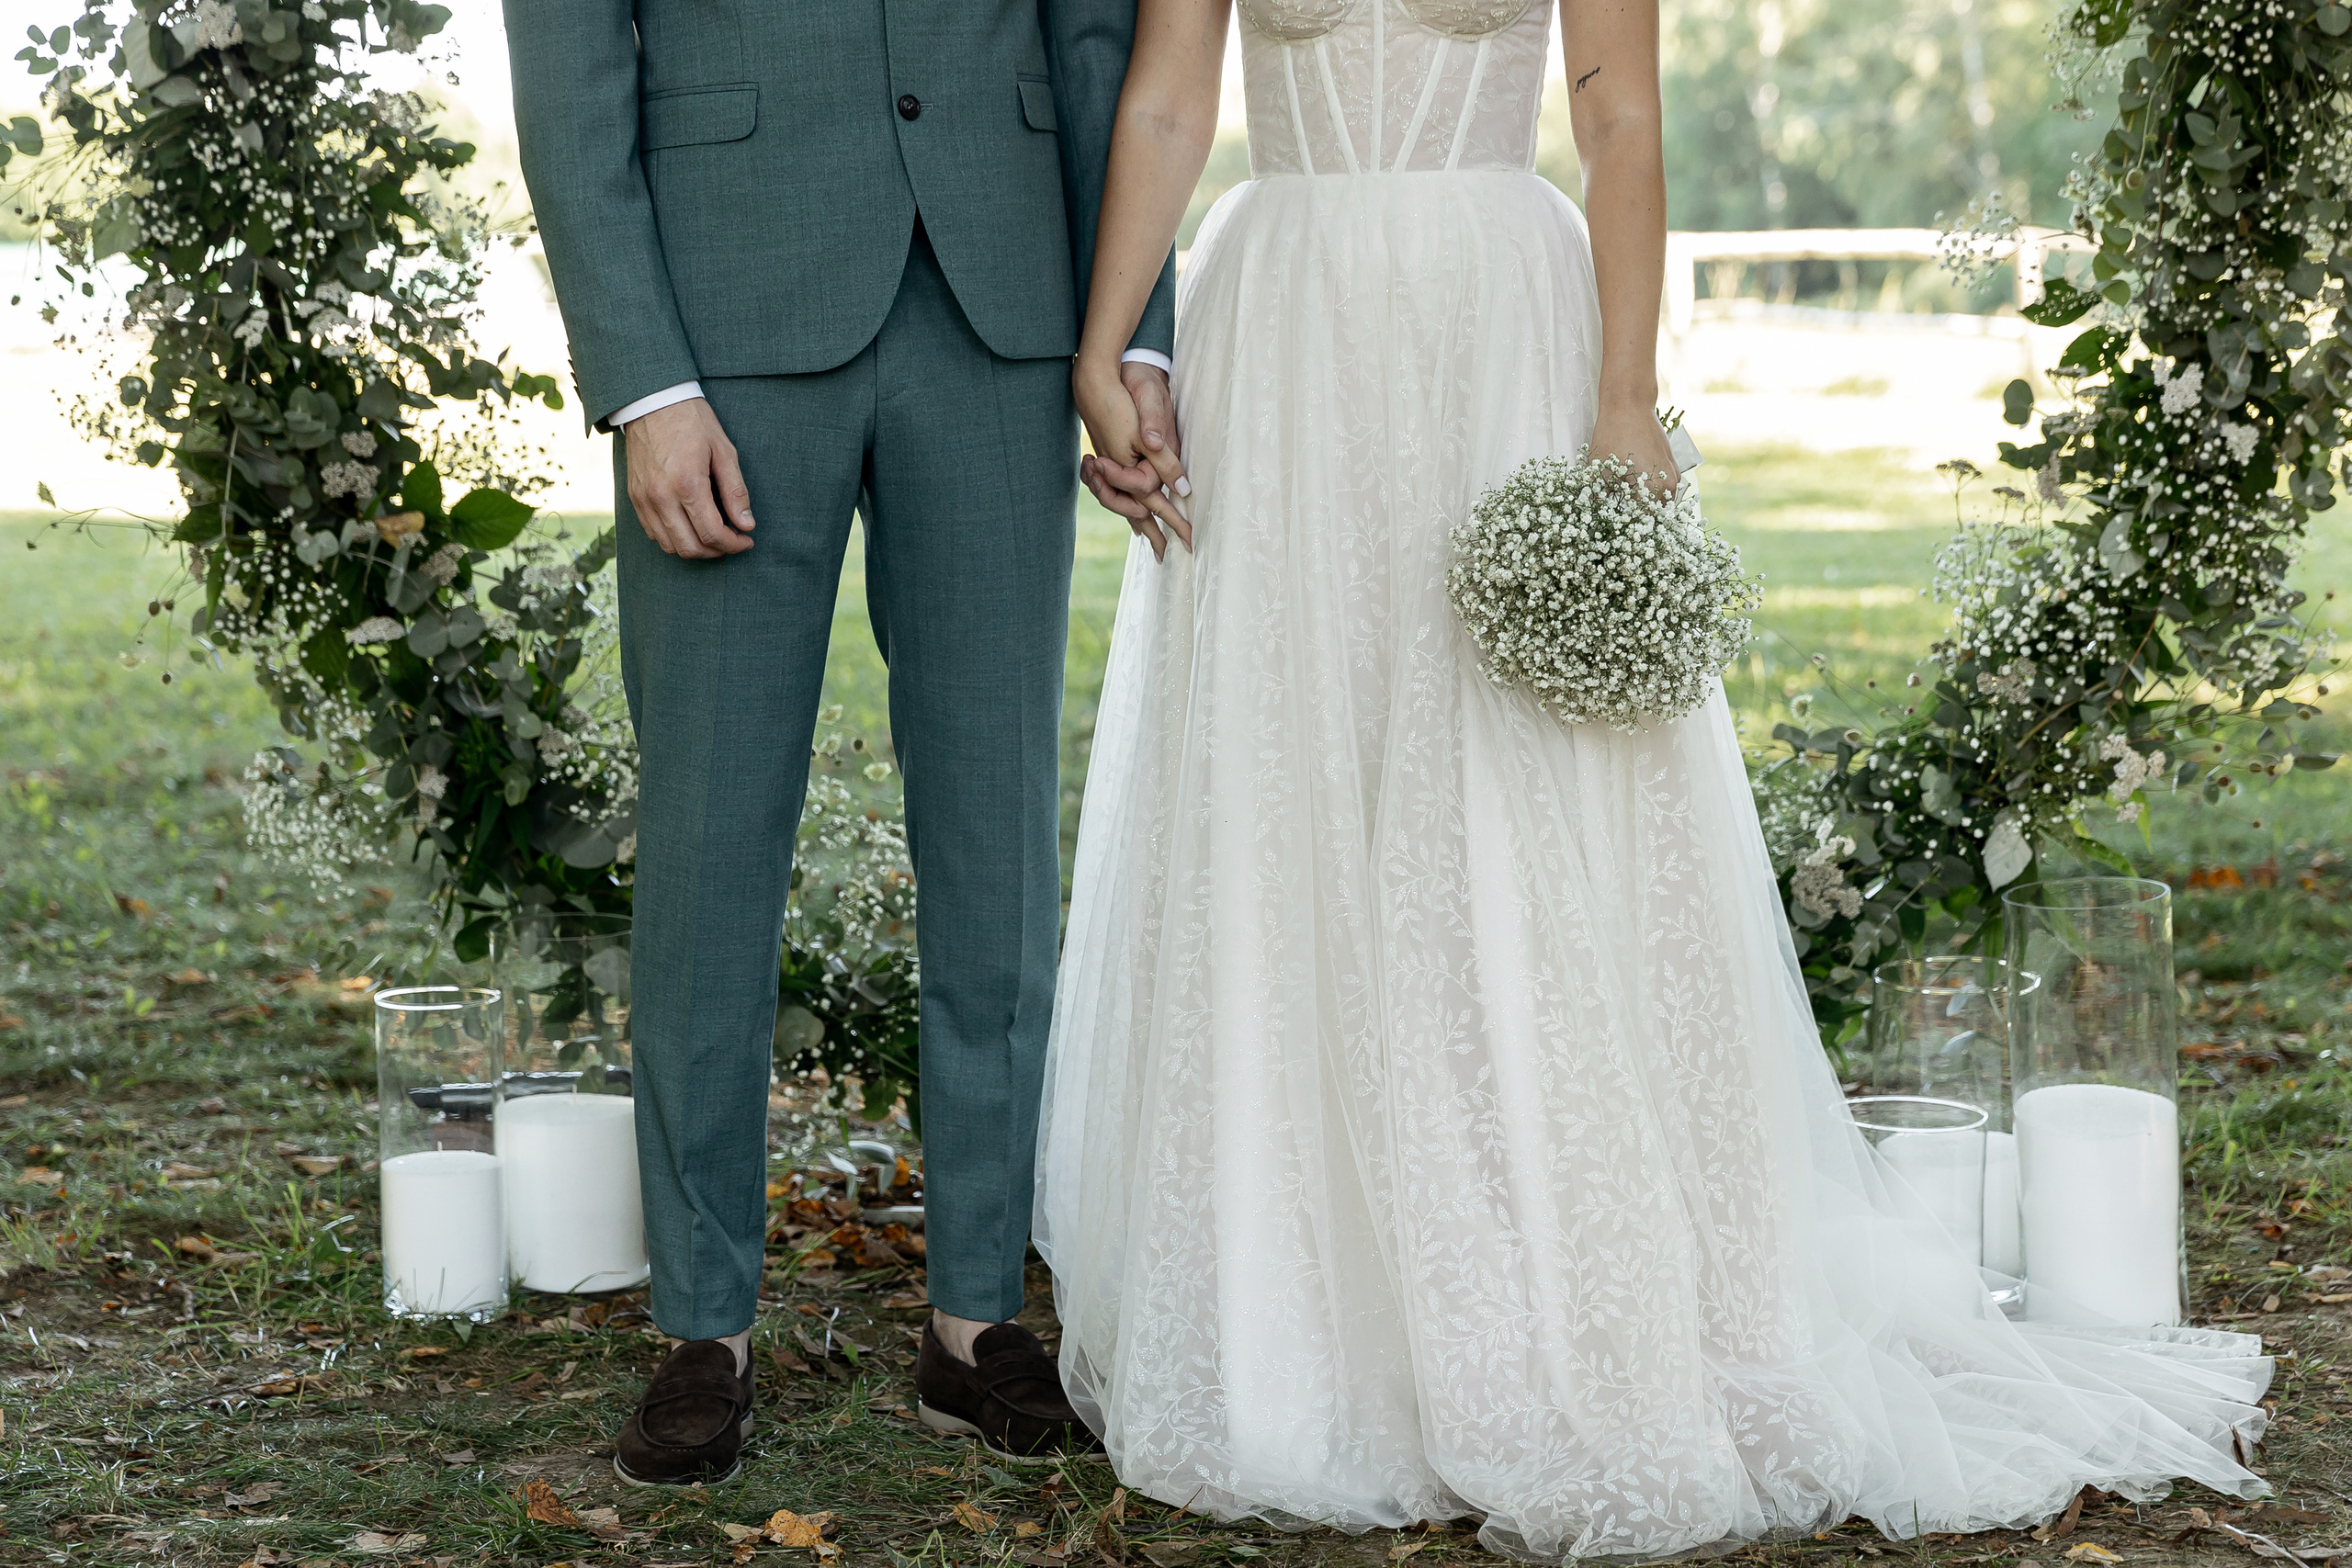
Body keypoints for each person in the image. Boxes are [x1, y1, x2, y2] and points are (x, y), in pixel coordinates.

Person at [1034, 0, 2274, 1558]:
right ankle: (1311, 1317)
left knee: (1516, 774)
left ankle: (1558, 1274)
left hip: (1499, 324)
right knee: (1298, 782)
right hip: (1278, 331)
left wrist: (1626, 394)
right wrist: (1102, 345)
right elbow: (1165, 101)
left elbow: (1619, 117)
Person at [503, 0, 1180, 1483]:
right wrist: (646, 383)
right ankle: (702, 1325)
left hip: (1003, 315)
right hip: (723, 335)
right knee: (710, 839)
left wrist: (1132, 331)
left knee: (999, 839)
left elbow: (1099, 43)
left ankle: (977, 1318)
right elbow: (569, 67)